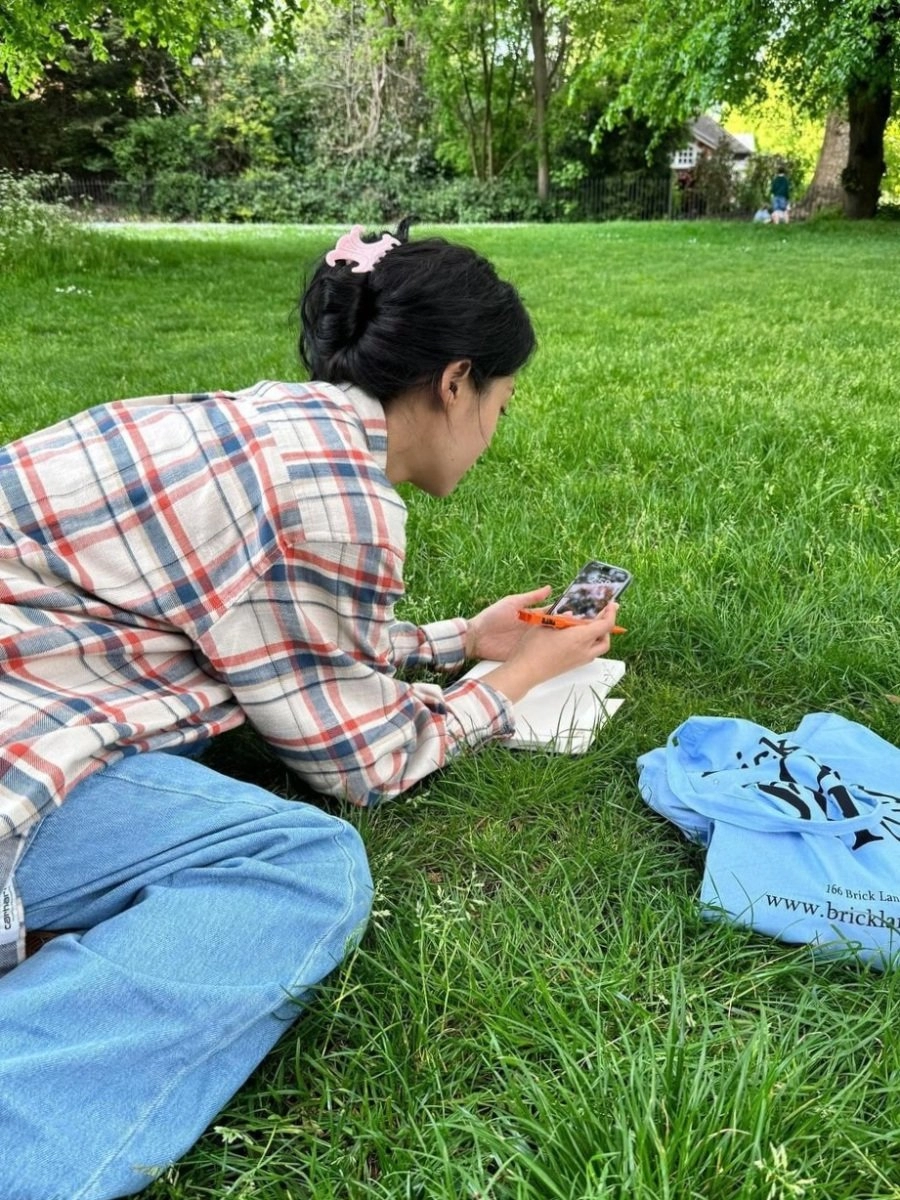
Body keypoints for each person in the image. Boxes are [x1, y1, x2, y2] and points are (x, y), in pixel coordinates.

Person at [0, 219, 619, 1199]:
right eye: (503, 400)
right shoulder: (333, 492)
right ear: (456, 382)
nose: (498, 427)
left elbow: (265, 629)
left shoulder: (282, 425)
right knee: (302, 867)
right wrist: (520, 681)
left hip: (35, 670)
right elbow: (366, 763)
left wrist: (463, 641)